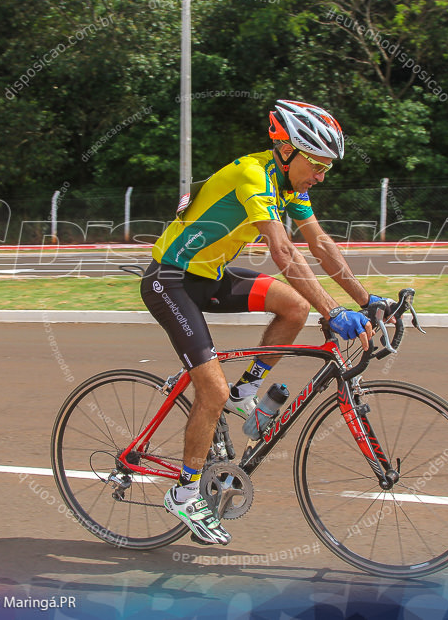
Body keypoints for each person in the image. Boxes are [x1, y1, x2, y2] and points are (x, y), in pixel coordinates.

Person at [141, 99, 394, 545]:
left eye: (326, 168)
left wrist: (367, 298)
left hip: (210, 276)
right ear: (286, 150)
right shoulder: (252, 175)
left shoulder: (290, 185)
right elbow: (284, 252)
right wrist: (334, 312)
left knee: (294, 307)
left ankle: (247, 390)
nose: (320, 175)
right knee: (211, 391)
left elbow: (318, 242)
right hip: (171, 279)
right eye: (316, 163)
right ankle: (184, 491)